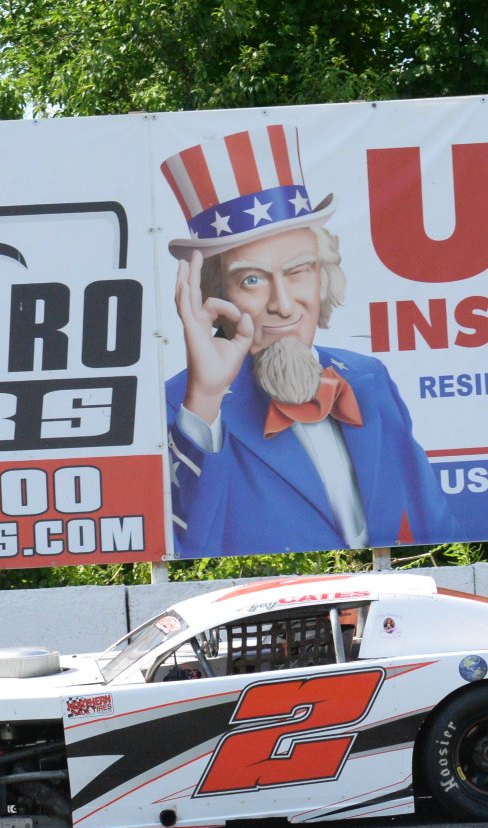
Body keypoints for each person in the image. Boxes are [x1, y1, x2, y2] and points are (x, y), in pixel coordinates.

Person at [161, 125, 458, 557]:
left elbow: (438, 528)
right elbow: (185, 543)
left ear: (323, 277)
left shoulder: (369, 377)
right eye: (252, 279)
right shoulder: (184, 405)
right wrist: (206, 396)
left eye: (299, 270)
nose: (283, 304)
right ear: (215, 296)